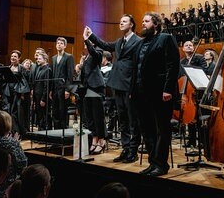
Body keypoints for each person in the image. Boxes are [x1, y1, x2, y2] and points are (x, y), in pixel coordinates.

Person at [85, 14, 142, 164]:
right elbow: (104, 45)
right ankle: (125, 149)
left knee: (132, 120)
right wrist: (91, 36)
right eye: (120, 21)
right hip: (117, 83)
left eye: (124, 21)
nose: (121, 23)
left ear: (131, 25)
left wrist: (135, 86)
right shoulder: (119, 41)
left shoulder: (138, 41)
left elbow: (138, 65)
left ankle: (133, 151)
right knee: (122, 119)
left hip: (130, 84)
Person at [132, 12, 180, 176]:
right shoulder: (141, 43)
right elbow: (135, 69)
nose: (143, 23)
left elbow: (172, 65)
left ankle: (161, 164)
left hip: (159, 92)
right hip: (140, 93)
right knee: (147, 130)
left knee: (161, 129)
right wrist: (133, 91)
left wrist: (168, 89)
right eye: (142, 21)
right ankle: (153, 163)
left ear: (156, 24)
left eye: (146, 21)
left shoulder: (166, 38)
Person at [79, 28, 107, 155]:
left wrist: (87, 38)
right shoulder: (86, 56)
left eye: (88, 42)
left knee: (98, 116)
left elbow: (95, 54)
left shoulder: (99, 51)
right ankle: (94, 139)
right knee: (89, 117)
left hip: (95, 88)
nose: (85, 43)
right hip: (87, 89)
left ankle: (102, 140)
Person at [179, 40, 208, 148]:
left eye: (191, 45)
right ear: (183, 49)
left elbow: (203, 71)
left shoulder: (199, 58)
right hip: (187, 92)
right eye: (186, 45)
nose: (189, 47)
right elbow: (180, 77)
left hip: (198, 90)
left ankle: (201, 141)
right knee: (189, 117)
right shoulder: (182, 62)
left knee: (199, 117)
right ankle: (191, 141)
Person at [50, 37, 74, 129]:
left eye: (61, 43)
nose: (59, 45)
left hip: (63, 89)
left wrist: (68, 90)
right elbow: (52, 75)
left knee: (62, 111)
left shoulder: (69, 57)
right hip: (55, 89)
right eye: (58, 43)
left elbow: (70, 75)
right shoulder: (53, 58)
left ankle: (63, 134)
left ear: (65, 46)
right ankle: (56, 133)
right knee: (55, 112)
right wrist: (51, 90)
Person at [32, 52, 52, 130]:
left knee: (45, 115)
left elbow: (46, 86)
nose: (38, 60)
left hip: (43, 97)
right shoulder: (39, 68)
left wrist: (43, 99)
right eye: (37, 59)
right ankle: (41, 132)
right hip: (37, 96)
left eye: (40, 59)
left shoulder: (48, 69)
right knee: (39, 116)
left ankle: (47, 132)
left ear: (45, 59)